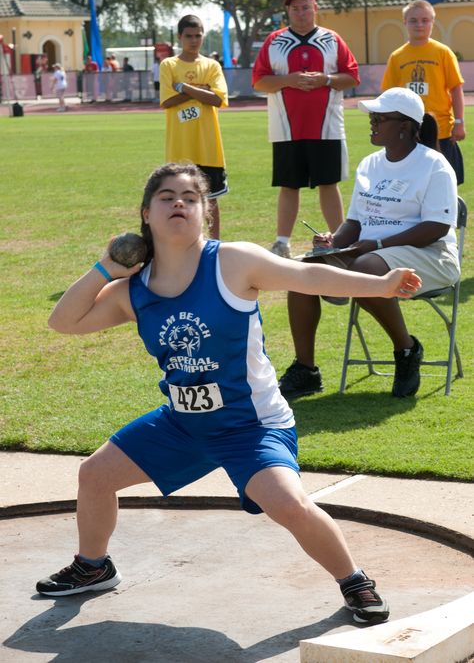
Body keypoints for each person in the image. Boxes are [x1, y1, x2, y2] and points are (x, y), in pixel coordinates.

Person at [35, 162, 422, 624]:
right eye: (166, 196)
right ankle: (92, 568)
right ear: (145, 213)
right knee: (95, 475)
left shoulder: (233, 262)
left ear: (207, 214)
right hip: (182, 423)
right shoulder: (132, 291)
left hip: (250, 425)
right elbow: (64, 322)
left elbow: (309, 278)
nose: (179, 202)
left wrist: (379, 284)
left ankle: (354, 581)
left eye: (190, 197)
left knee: (289, 504)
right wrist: (105, 267)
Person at [278, 87, 459, 400]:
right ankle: (306, 370)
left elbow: (437, 227)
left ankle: (407, 350)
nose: (372, 122)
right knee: (302, 271)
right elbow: (356, 223)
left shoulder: (434, 165)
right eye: (372, 116)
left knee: (365, 270)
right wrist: (333, 241)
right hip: (371, 253)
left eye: (380, 117)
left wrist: (375, 244)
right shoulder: (370, 164)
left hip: (431, 255)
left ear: (404, 126)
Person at [252, 0, 360, 258]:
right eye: (295, 8)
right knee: (289, 185)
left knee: (329, 183)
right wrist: (288, 79)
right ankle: (281, 243)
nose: (300, 12)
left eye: (305, 7)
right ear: (287, 11)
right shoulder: (274, 41)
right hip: (286, 128)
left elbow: (351, 77)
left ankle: (340, 240)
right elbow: (259, 81)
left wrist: (325, 79)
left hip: (327, 127)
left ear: (315, 8)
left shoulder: (332, 40)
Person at [382, 0, 465, 185]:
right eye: (413, 20)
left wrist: (459, 122)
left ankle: (450, 213)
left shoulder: (443, 52)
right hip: (408, 131)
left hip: (441, 130)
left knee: (445, 182)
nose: (419, 25)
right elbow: (389, 95)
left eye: (425, 20)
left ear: (432, 23)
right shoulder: (397, 57)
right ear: (405, 22)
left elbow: (456, 88)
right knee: (411, 183)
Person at [160, 14, 229, 240]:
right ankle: (186, 240)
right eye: (188, 36)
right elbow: (167, 101)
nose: (193, 40)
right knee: (179, 199)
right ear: (180, 37)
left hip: (208, 147)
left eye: (198, 36)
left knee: (211, 199)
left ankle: (214, 243)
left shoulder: (211, 65)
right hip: (180, 148)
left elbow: (218, 99)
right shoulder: (169, 64)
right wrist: (201, 90)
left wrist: (184, 88)